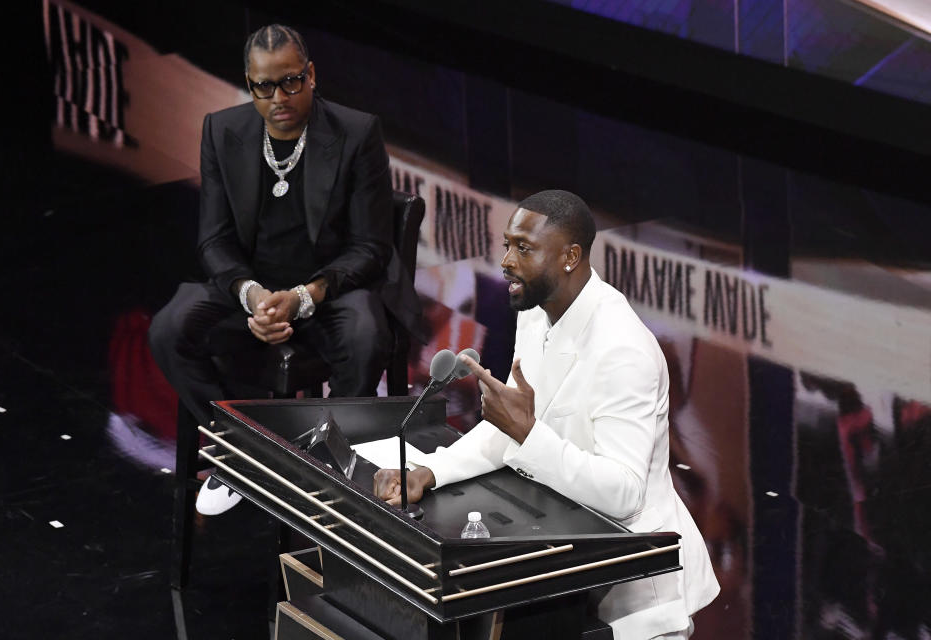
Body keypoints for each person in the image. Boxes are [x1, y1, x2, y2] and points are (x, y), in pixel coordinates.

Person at [374, 190, 719, 639]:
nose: (506, 260)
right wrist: (430, 470)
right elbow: (510, 428)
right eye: (506, 244)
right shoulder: (537, 313)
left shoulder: (623, 350)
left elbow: (624, 493)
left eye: (524, 248)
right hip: (565, 551)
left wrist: (528, 433)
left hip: (633, 585)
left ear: (571, 256)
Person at [149, 24, 418, 513]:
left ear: (311, 75)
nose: (279, 97)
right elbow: (213, 240)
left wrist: (303, 297)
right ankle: (248, 451)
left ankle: (330, 461)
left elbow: (369, 247)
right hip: (252, 287)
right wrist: (251, 295)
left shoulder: (356, 133)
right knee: (170, 327)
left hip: (330, 287)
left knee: (365, 333)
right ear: (249, 84)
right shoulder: (221, 130)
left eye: (291, 81)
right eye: (264, 86)